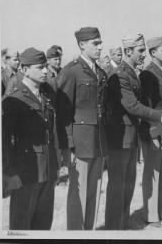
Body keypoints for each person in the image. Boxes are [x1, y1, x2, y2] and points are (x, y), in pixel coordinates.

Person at [104, 33, 162, 230]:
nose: (144, 54)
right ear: (128, 51)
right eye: (140, 50)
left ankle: (122, 225)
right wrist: (159, 116)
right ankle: (112, 229)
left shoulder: (131, 72)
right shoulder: (119, 74)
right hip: (120, 138)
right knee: (118, 186)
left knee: (128, 185)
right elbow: (132, 106)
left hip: (131, 136)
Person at [56, 27, 108, 230]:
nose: (100, 47)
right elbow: (63, 113)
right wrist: (67, 145)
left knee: (94, 190)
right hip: (79, 142)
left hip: (98, 140)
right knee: (79, 192)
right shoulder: (71, 71)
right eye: (96, 43)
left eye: (100, 43)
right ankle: (76, 234)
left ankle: (90, 232)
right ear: (82, 45)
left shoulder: (100, 72)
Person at [2, 47, 59, 230]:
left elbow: (52, 132)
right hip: (26, 172)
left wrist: (56, 165)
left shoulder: (46, 96)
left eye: (45, 67)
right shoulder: (14, 99)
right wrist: (10, 173)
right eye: (40, 67)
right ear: (25, 70)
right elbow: (6, 141)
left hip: (47, 170)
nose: (45, 71)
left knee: (43, 225)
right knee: (21, 225)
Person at [139, 36, 162, 227]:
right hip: (154, 130)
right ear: (153, 52)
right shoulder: (147, 74)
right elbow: (146, 107)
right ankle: (151, 215)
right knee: (152, 172)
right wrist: (153, 133)